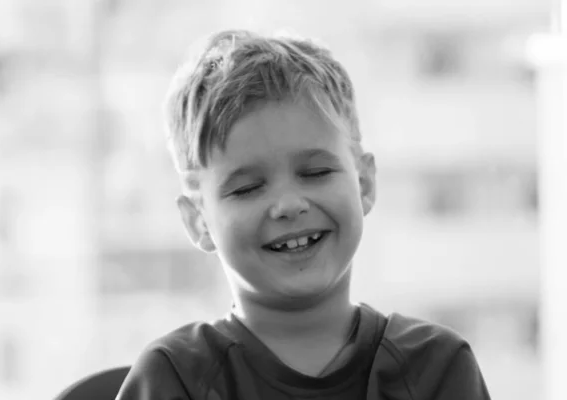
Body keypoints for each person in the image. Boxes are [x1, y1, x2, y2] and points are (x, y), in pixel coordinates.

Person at [116, 29, 491, 400]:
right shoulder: (174, 380)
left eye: (316, 173)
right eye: (247, 188)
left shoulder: (437, 368)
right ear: (198, 221)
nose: (289, 205)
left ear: (363, 183)